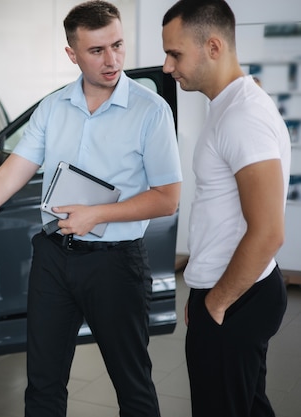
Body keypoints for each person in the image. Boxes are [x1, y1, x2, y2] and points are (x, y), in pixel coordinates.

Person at [0, 1, 182, 416]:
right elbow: (7, 178)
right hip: (54, 258)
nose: (112, 60)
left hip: (116, 264)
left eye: (118, 45)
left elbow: (168, 197)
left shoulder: (151, 112)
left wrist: (97, 215)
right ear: (72, 54)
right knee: (42, 385)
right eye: (97, 51)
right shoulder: (53, 108)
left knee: (133, 386)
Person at [161, 1, 291, 416]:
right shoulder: (230, 107)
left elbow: (268, 232)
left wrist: (216, 301)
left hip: (237, 299)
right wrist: (202, 288)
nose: (167, 66)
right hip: (232, 290)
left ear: (213, 46)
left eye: (175, 53)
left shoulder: (242, 117)